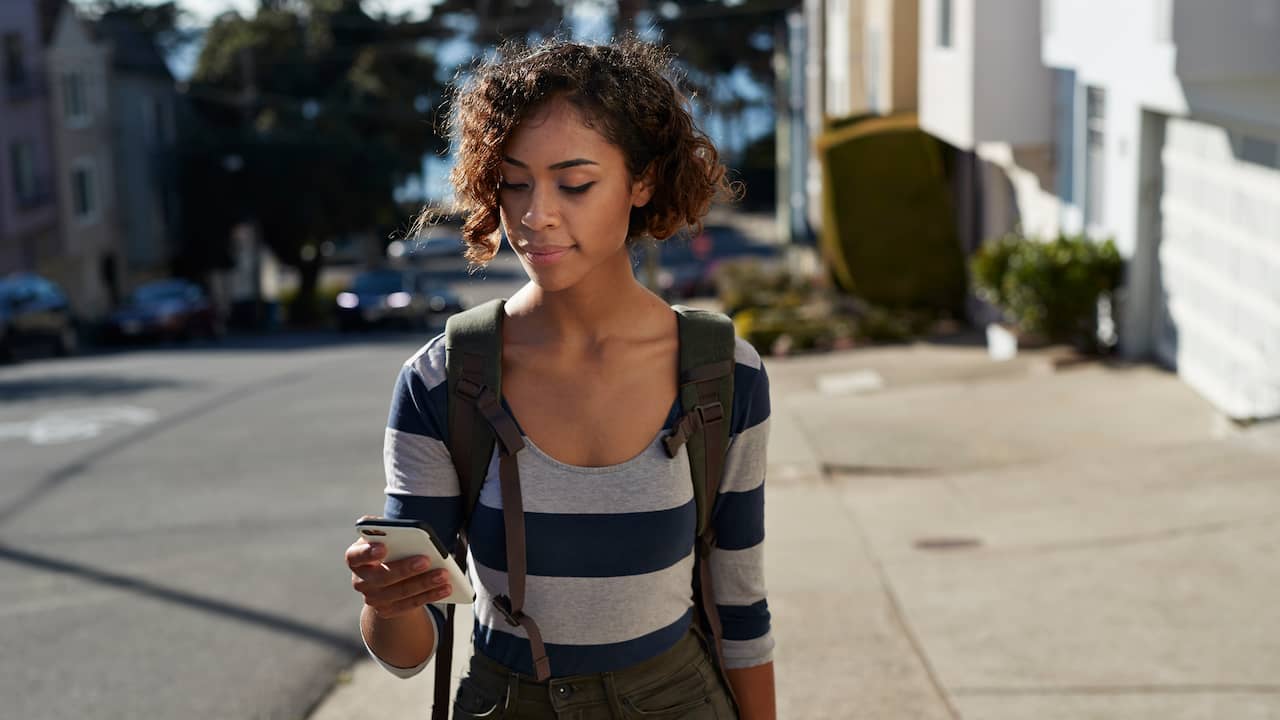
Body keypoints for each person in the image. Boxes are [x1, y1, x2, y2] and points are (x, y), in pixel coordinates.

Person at [344, 37, 775, 720]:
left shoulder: (724, 374)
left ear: (642, 182)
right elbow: (407, 652)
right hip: (505, 702)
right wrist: (386, 602)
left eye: (574, 183)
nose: (534, 213)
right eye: (514, 181)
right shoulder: (442, 379)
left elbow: (741, 603)